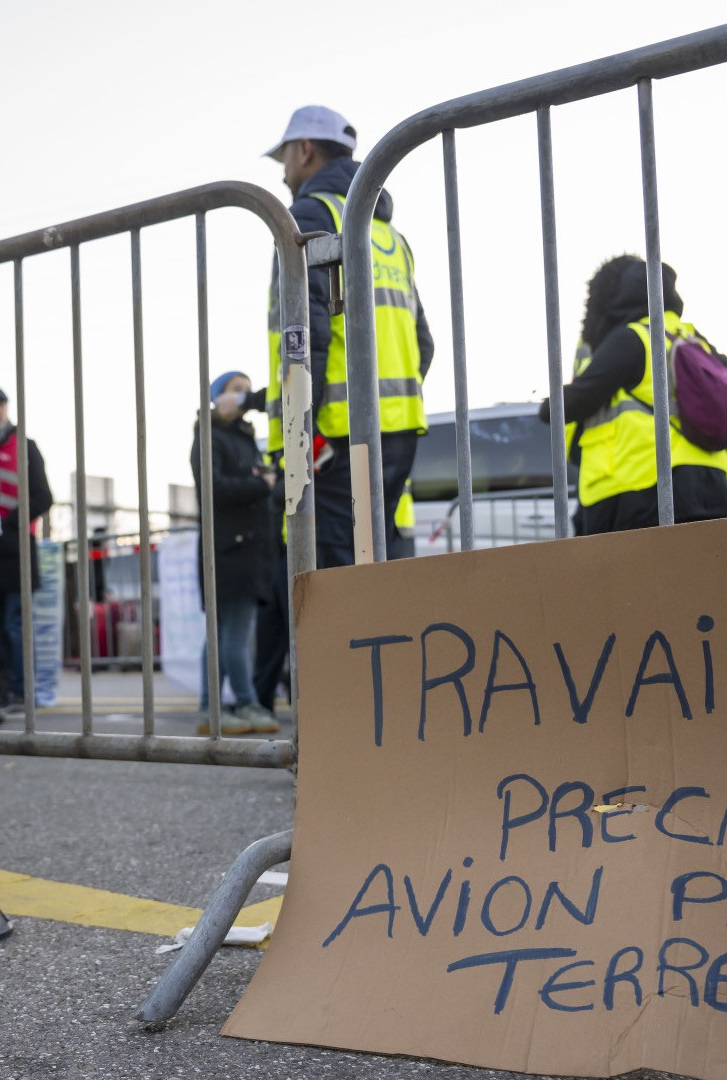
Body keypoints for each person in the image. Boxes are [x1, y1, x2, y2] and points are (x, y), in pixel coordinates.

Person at [262, 106, 435, 569]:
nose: (283, 173)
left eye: (285, 158)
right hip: (398, 430)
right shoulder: (387, 234)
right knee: (374, 564)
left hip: (335, 436)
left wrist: (304, 429)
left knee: (335, 577)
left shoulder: (309, 216)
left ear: (305, 150)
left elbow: (306, 331)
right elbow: (424, 343)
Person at [553, 256, 727, 534]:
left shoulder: (631, 337)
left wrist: (548, 407)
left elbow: (579, 399)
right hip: (712, 485)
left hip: (644, 488)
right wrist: (719, 431)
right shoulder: (686, 336)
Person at [190, 372, 278, 735]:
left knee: (221, 635)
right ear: (217, 397)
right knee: (234, 633)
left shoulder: (242, 437)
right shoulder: (209, 436)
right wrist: (261, 483)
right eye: (235, 389)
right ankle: (246, 703)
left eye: (247, 389)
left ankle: (210, 709)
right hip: (230, 549)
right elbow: (213, 488)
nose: (244, 396)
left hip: (246, 549)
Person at [0, 385, 53, 713]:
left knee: (14, 625)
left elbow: (43, 497)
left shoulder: (25, 445)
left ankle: (22, 691)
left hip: (17, 546)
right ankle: (6, 690)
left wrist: (8, 521)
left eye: (0, 404)